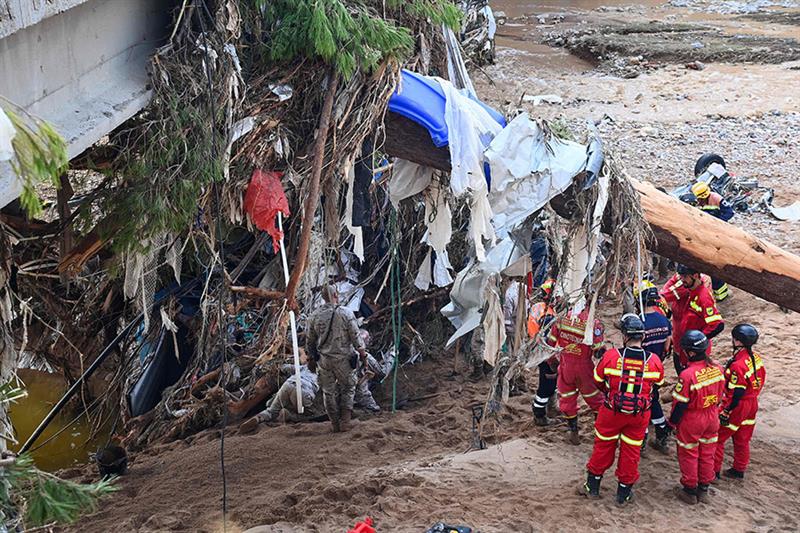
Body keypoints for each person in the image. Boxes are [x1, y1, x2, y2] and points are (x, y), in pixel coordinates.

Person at [579, 314, 664, 505]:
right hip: (639, 415)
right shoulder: (654, 361)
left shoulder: (610, 357)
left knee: (602, 447)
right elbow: (656, 387)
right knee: (631, 452)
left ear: (625, 336)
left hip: (611, 412)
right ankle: (623, 494)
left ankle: (591, 487)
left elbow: (598, 381)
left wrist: (613, 391)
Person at [669, 330, 725, 505]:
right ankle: (704, 489)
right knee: (708, 453)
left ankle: (690, 490)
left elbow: (680, 404)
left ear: (690, 353)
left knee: (689, 453)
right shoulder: (718, 368)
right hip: (712, 415)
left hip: (692, 419)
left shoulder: (687, 376)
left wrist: (672, 423)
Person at [306, 284, 367, 432]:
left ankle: (334, 424)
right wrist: (363, 354)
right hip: (344, 359)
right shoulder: (346, 313)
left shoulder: (314, 316)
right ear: (336, 295)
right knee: (348, 387)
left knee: (328, 392)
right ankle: (345, 421)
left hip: (324, 360)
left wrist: (311, 359)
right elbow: (356, 337)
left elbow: (309, 341)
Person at [547, 303, 605, 444]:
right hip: (585, 368)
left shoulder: (560, 319)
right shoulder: (593, 323)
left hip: (565, 366)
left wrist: (553, 363)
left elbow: (549, 344)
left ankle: (573, 432)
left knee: (567, 400)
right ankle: (599, 432)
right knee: (597, 400)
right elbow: (598, 352)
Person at [714, 323, 766, 480]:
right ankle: (739, 469)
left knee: (718, 438)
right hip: (752, 403)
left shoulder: (737, 365)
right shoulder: (755, 358)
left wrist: (726, 410)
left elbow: (737, 393)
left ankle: (714, 472)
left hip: (738, 405)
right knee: (742, 438)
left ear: (737, 341)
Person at [660, 264, 724, 374]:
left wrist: (698, 340)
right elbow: (665, 295)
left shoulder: (703, 297)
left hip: (693, 351)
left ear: (695, 276)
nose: (681, 280)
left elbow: (717, 325)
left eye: (685, 277)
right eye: (680, 277)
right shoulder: (687, 290)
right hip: (680, 344)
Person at [239, 356, 320, 433]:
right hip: (305, 391)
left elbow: (284, 367)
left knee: (272, 411)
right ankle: (288, 415)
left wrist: (280, 366)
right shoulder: (323, 374)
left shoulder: (303, 368)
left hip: (289, 384)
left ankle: (258, 418)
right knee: (309, 414)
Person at [641, 287, 673, 452]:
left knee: (643, 402)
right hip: (657, 365)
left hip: (641, 367)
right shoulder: (664, 320)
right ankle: (661, 433)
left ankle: (644, 439)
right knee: (653, 397)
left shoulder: (640, 322)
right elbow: (668, 344)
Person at [689, 182, 734, 301]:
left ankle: (721, 293)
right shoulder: (698, 201)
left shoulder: (716, 199)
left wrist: (717, 223)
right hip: (706, 234)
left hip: (718, 234)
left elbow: (730, 213)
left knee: (715, 263)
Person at [529, 279, 557, 426]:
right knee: (547, 387)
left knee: (550, 383)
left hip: (538, 350)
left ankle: (549, 408)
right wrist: (552, 360)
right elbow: (548, 341)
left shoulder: (538, 307)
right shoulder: (548, 315)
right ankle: (539, 415)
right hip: (546, 355)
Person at [354, 347, 396, 413]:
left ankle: (392, 354)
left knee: (382, 372)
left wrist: (366, 364)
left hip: (363, 358)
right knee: (359, 386)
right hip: (353, 363)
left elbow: (361, 349)